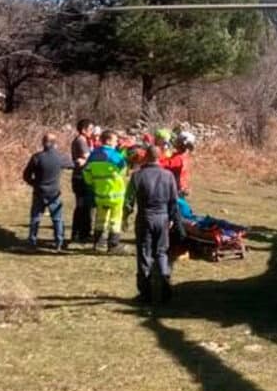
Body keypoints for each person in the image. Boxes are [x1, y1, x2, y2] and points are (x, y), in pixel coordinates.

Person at [123, 147, 187, 304]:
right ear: (160, 158)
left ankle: (145, 293)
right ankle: (165, 288)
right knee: (161, 253)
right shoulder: (168, 176)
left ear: (145, 157)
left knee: (144, 253)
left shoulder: (137, 176)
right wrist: (175, 220)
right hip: (163, 218)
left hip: (145, 217)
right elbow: (174, 201)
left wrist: (125, 217)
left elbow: (128, 201)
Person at [22, 133, 73, 251]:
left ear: (43, 143)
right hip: (54, 193)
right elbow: (72, 165)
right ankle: (59, 241)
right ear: (55, 143)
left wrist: (34, 183)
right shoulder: (60, 157)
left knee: (35, 217)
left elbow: (26, 175)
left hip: (39, 191)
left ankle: (32, 241)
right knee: (57, 218)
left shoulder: (37, 157)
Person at [82, 130, 128, 252]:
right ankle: (113, 244)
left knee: (100, 219)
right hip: (116, 194)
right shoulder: (115, 156)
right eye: (115, 140)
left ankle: (98, 243)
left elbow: (86, 171)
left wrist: (92, 183)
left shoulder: (93, 155)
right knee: (115, 220)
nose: (116, 142)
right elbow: (124, 170)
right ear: (108, 141)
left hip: (100, 193)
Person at [70, 119, 96, 244]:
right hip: (80, 178)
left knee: (87, 207)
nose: (92, 132)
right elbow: (88, 157)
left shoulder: (85, 140)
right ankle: (78, 234)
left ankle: (84, 233)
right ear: (84, 129)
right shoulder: (81, 141)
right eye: (91, 129)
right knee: (82, 206)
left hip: (84, 176)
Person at [163, 131, 195, 197]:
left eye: (178, 141)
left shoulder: (178, 159)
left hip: (175, 191)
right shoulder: (185, 156)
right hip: (180, 188)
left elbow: (162, 165)